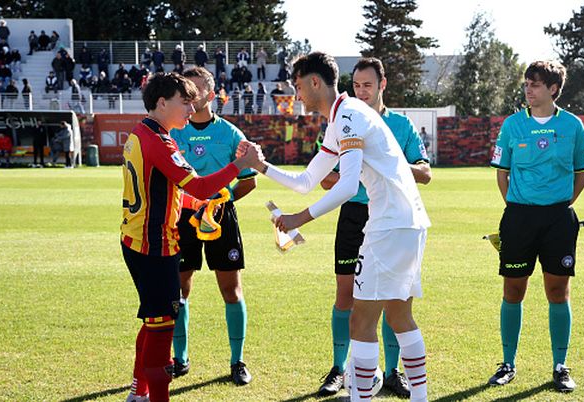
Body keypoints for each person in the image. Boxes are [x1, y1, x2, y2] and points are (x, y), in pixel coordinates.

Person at [241, 52, 431, 402]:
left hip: (389, 226)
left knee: (360, 319)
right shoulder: (343, 118)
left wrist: (298, 218)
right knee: (400, 314)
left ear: (315, 82)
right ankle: (418, 397)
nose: (296, 95)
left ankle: (360, 396)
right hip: (406, 222)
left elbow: (346, 186)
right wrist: (261, 165)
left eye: (298, 86)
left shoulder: (348, 115)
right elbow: (306, 181)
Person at [120, 72, 262, 402]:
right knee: (161, 328)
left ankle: (138, 392)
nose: (190, 108)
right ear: (161, 103)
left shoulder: (143, 134)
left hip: (138, 239)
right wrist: (239, 164)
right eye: (184, 102)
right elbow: (196, 185)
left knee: (153, 319)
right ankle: (153, 396)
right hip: (154, 244)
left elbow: (173, 191)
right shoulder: (159, 141)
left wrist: (203, 204)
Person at [316, 57, 432, 398]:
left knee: (394, 301)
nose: (362, 91)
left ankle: (393, 372)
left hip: (390, 220)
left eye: (368, 84)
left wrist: (388, 163)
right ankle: (340, 369)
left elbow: (425, 173)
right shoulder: (345, 120)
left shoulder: (401, 125)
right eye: (357, 85)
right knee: (346, 295)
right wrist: (342, 173)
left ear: (383, 85)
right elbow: (326, 178)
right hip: (354, 215)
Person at [488, 61, 584, 393]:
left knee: (557, 292)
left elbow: (581, 174)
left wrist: (559, 204)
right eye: (526, 84)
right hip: (519, 217)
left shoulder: (573, 126)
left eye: (535, 84)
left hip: (558, 219)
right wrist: (517, 206)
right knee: (513, 291)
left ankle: (560, 366)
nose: (528, 90)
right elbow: (502, 172)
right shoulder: (512, 125)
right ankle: (507, 363)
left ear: (553, 89)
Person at [167, 67, 257, 386]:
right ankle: (180, 358)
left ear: (213, 91)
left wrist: (222, 197)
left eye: (201, 86)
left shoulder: (232, 134)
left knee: (230, 290)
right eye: (190, 88)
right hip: (183, 219)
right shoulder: (173, 133)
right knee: (179, 288)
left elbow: (249, 182)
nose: (196, 92)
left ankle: (237, 361)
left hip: (222, 217)